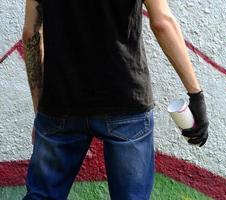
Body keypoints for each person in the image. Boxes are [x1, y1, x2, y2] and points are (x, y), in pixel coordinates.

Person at [22, 0, 209, 199]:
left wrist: (40, 109)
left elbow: (30, 34)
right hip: (125, 100)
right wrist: (195, 94)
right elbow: (162, 22)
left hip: (59, 102)